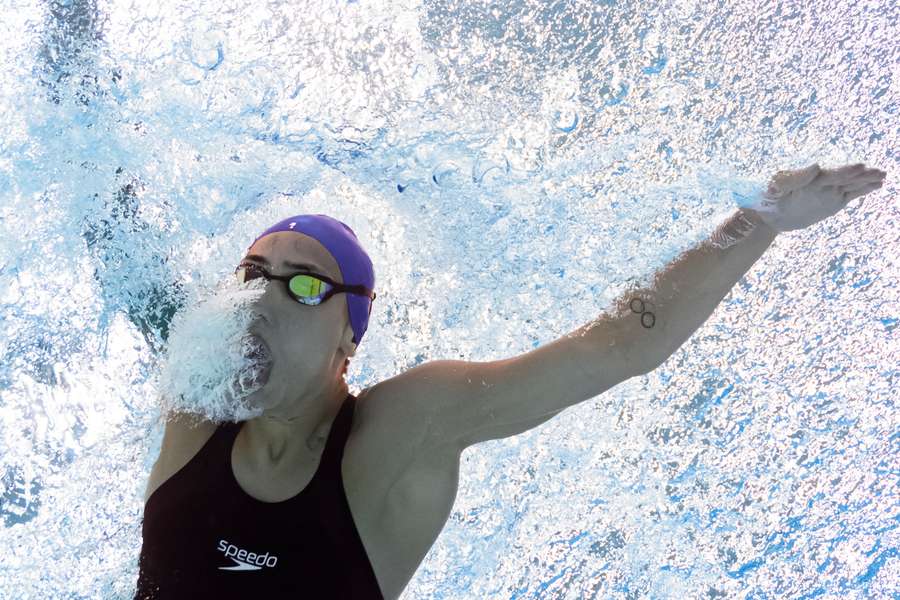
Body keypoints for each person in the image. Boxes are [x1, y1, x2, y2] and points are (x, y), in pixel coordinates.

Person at [133, 163, 885, 599]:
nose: (263, 295)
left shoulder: (397, 436)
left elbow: (618, 345)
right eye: (253, 275)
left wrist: (758, 220)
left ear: (347, 337)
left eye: (302, 287)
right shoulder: (193, 401)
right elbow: (122, 256)